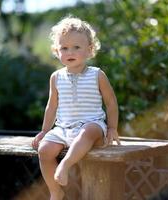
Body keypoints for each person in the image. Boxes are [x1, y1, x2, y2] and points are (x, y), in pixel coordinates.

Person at [31, 15, 120, 200]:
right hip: (64, 128)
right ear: (57, 51)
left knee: (87, 131)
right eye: (64, 48)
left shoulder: (97, 75)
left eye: (76, 47)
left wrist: (112, 127)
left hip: (92, 124)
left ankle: (65, 165)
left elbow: (111, 102)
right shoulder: (56, 77)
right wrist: (44, 131)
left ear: (89, 50)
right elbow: (51, 106)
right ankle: (56, 191)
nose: (69, 52)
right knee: (44, 150)